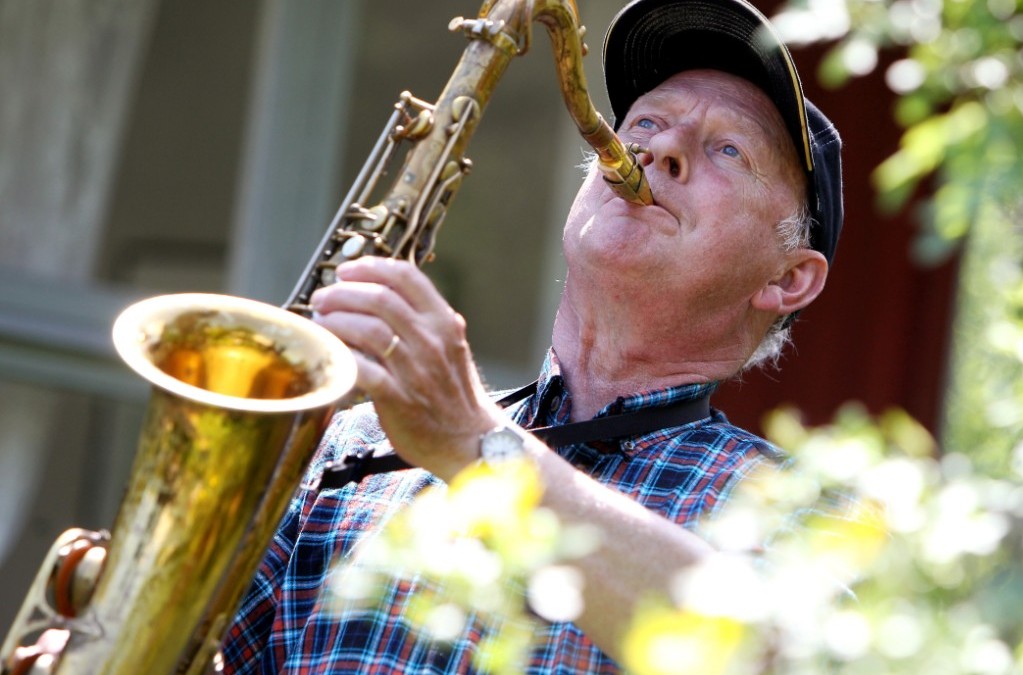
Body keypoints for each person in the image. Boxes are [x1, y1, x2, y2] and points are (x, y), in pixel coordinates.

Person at [220, 0, 844, 671]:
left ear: (788, 279)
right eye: (646, 122)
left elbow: (776, 655)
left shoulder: (803, 516)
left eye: (728, 148)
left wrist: (477, 446)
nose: (658, 148)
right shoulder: (353, 447)